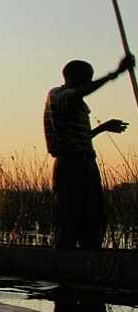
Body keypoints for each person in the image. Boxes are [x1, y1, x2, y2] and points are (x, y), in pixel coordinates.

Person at [43, 54, 134, 249]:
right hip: (70, 166)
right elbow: (76, 95)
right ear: (76, 79)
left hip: (86, 164)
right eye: (88, 79)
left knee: (94, 216)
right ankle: (64, 262)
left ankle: (90, 258)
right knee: (69, 216)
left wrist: (102, 128)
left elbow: (78, 138)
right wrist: (115, 74)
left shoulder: (74, 102)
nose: (90, 83)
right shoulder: (58, 96)